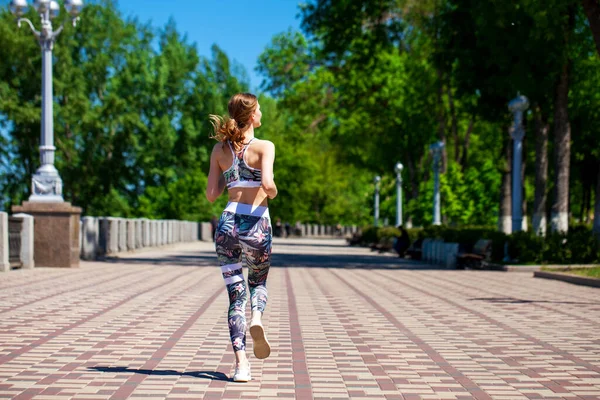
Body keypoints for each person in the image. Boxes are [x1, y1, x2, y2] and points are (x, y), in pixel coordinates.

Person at [205, 93, 277, 382]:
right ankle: (257, 319)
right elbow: (268, 184)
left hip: (226, 226)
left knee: (236, 297)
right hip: (256, 223)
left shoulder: (219, 151)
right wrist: (271, 192)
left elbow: (212, 195)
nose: (261, 114)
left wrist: (229, 171)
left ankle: (241, 366)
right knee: (257, 281)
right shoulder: (265, 146)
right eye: (259, 110)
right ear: (251, 116)